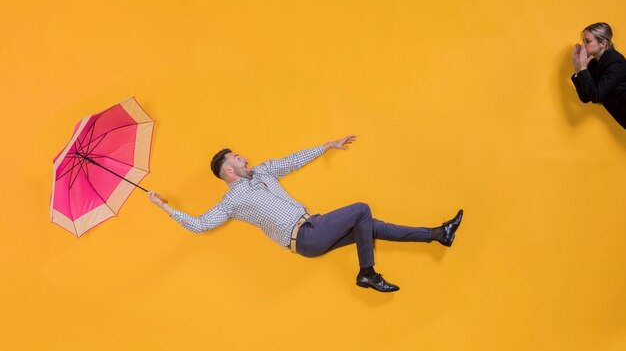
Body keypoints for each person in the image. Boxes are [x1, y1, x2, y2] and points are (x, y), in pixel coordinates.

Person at [148, 135, 463, 293]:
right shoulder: (231, 201)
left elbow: (292, 161)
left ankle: (438, 234)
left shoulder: (263, 171)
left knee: (371, 226)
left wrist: (326, 146)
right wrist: (165, 208)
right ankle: (366, 272)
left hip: (313, 225)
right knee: (362, 209)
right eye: (237, 158)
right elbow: (201, 225)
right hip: (304, 238)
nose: (244, 158)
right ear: (228, 171)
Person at [571, 22, 626, 129]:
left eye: (588, 41)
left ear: (603, 43)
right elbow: (586, 97)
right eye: (583, 41)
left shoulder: (615, 61)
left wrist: (583, 68)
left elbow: (596, 96)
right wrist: (578, 68)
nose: (583, 45)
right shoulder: (593, 64)